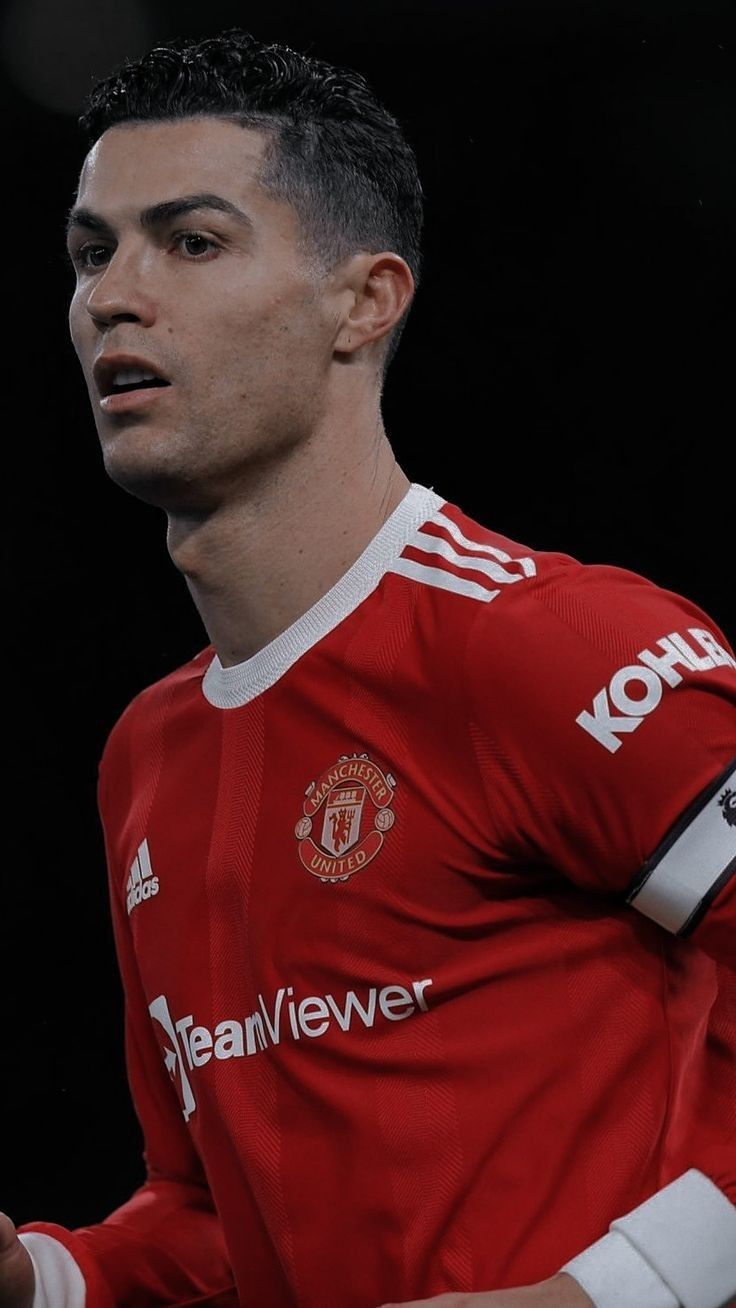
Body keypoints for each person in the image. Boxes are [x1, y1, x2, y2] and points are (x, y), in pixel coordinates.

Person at [2, 27, 735, 1308]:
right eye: (90, 250)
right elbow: (218, 1215)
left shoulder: (550, 649)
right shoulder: (146, 756)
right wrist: (43, 1279)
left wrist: (611, 1292)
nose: (114, 294)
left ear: (366, 300)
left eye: (191, 241)